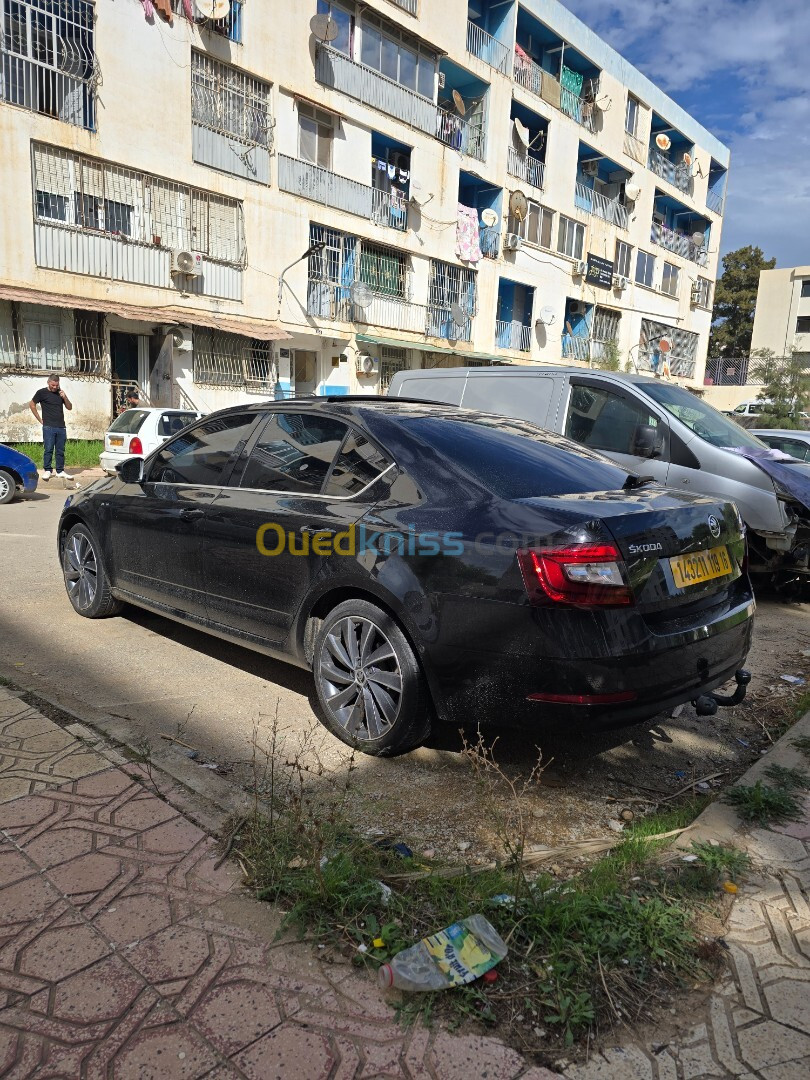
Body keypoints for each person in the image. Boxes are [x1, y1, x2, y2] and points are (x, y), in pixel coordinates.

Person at [29, 373, 74, 481]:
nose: (55, 387)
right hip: (48, 426)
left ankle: (60, 471)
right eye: (53, 385)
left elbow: (69, 407)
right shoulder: (41, 392)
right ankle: (47, 470)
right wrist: (40, 420)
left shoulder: (60, 393)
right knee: (48, 449)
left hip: (61, 427)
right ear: (48, 382)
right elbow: (32, 404)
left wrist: (65, 397)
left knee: (60, 450)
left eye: (56, 385)